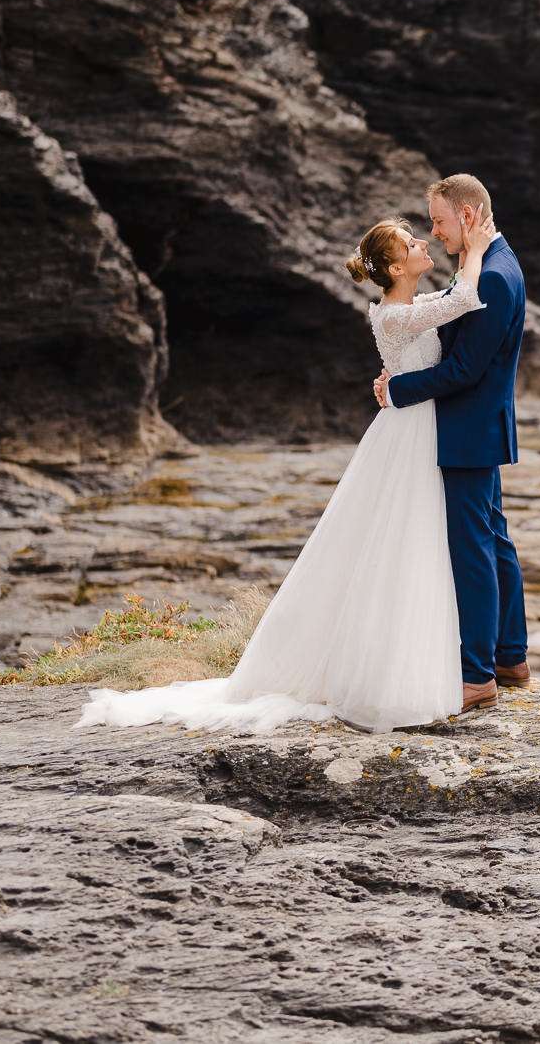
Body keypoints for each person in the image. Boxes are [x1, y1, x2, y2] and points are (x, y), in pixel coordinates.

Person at [74, 206, 500, 734]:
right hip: (409, 435)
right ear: (394, 269)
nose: (421, 245)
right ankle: (391, 671)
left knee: (413, 538)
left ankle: (416, 658)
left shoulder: (409, 304)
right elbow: (462, 300)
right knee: (403, 538)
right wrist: (477, 250)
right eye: (411, 244)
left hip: (416, 428)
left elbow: (447, 302)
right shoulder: (393, 314)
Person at [375, 174, 529, 714]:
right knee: (495, 541)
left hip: (466, 430)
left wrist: (397, 389)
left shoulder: (493, 278)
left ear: (467, 217)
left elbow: (463, 370)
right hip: (480, 427)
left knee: (474, 552)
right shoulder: (492, 264)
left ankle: (477, 675)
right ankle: (511, 657)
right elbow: (448, 312)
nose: (435, 234)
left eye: (439, 222)